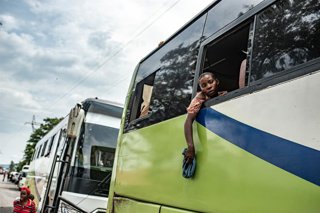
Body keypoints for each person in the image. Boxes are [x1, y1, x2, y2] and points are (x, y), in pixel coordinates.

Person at [184, 72, 226, 163]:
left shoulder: (222, 94)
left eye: (211, 82)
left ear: (217, 81)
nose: (208, 86)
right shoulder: (199, 98)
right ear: (201, 89)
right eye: (204, 85)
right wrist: (191, 147)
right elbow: (188, 121)